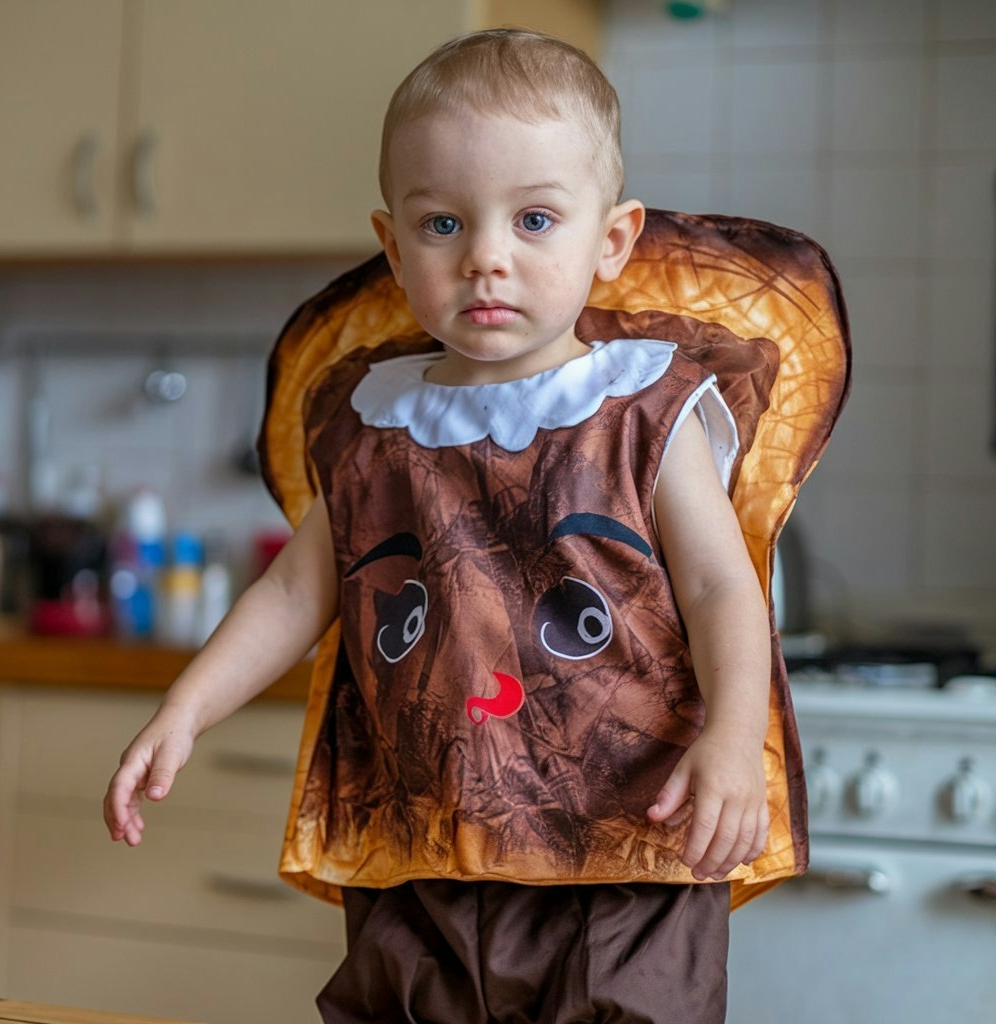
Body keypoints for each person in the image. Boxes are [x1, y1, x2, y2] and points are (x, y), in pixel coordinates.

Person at [105, 29, 788, 1024]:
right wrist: (184, 708)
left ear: (611, 239)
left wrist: (733, 736)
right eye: (441, 225)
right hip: (422, 847)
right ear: (391, 244)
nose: (485, 259)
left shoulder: (651, 406)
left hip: (625, 847)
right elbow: (298, 590)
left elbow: (725, 588)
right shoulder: (368, 423)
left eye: (536, 218)